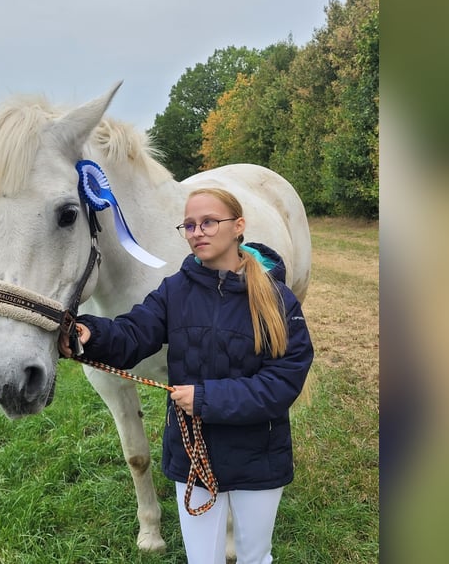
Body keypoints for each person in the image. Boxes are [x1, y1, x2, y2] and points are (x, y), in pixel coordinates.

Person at [59, 188, 314, 563]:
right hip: (193, 454)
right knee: (202, 559)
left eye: (209, 222)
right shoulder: (173, 292)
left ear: (238, 226)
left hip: (258, 456)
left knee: (254, 557)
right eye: (190, 225)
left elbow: (284, 380)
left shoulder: (276, 298)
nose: (198, 232)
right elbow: (133, 333)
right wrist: (91, 335)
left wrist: (206, 400)